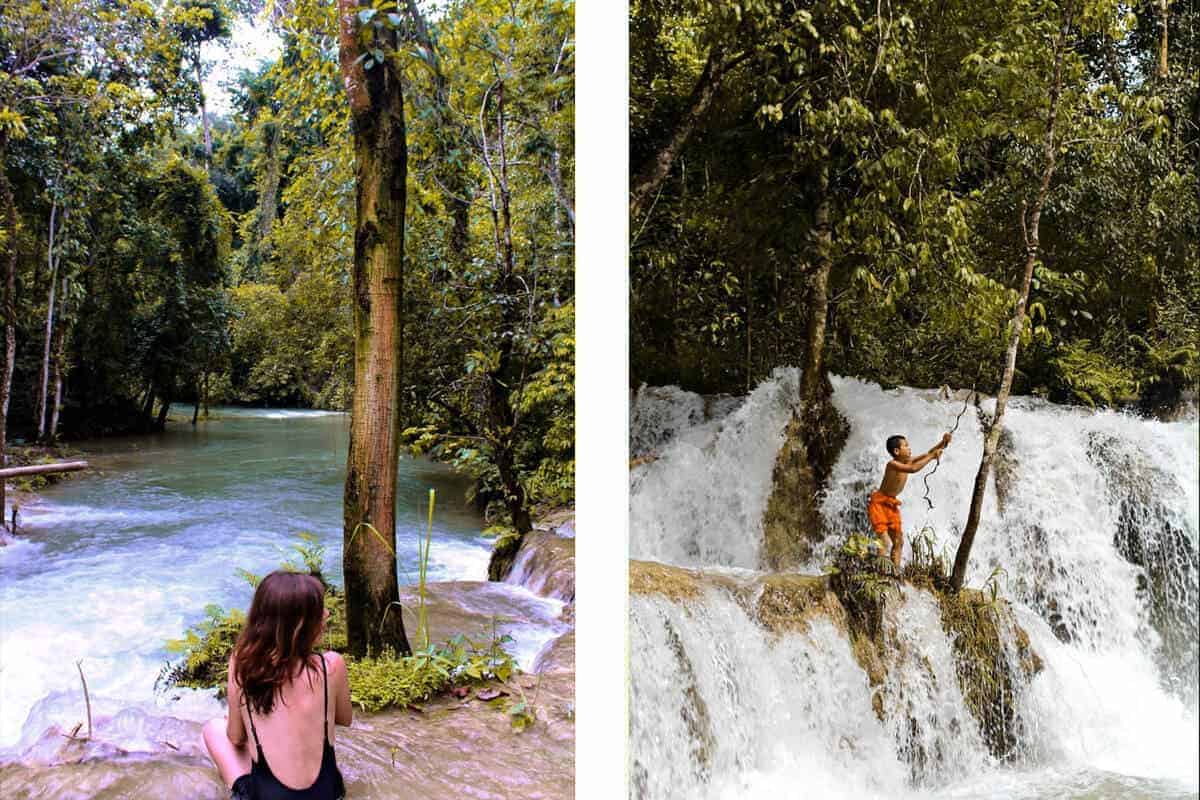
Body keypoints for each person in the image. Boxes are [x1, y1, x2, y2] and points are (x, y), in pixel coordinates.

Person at [202, 571, 351, 800]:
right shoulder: (331, 665)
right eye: (319, 610)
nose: (327, 614)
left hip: (269, 796)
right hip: (329, 794)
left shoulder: (242, 664)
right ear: (300, 625)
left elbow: (236, 737)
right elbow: (344, 718)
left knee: (213, 729)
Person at [868, 433, 951, 568]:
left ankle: (895, 572)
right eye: (906, 446)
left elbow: (929, 453)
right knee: (885, 540)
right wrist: (932, 457)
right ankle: (880, 571)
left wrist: (943, 442)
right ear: (896, 451)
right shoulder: (892, 464)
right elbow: (913, 469)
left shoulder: (908, 461)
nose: (909, 448)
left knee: (898, 541)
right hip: (879, 504)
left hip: (891, 504)